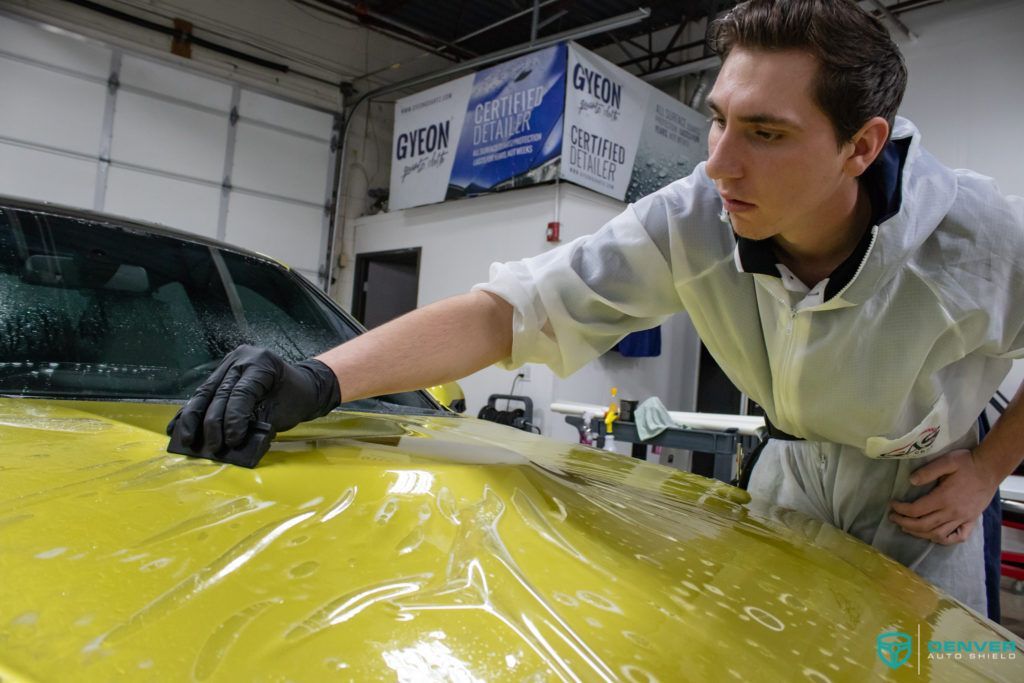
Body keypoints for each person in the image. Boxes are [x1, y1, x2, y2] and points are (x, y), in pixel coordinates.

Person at [168, 0, 1024, 614]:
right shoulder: (696, 216)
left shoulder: (979, 238)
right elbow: (510, 312)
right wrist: (318, 378)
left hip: (923, 493)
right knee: (774, 650)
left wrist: (988, 471)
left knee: (938, 668)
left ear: (862, 146)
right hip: (791, 471)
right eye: (716, 120)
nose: (720, 164)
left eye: (765, 133)